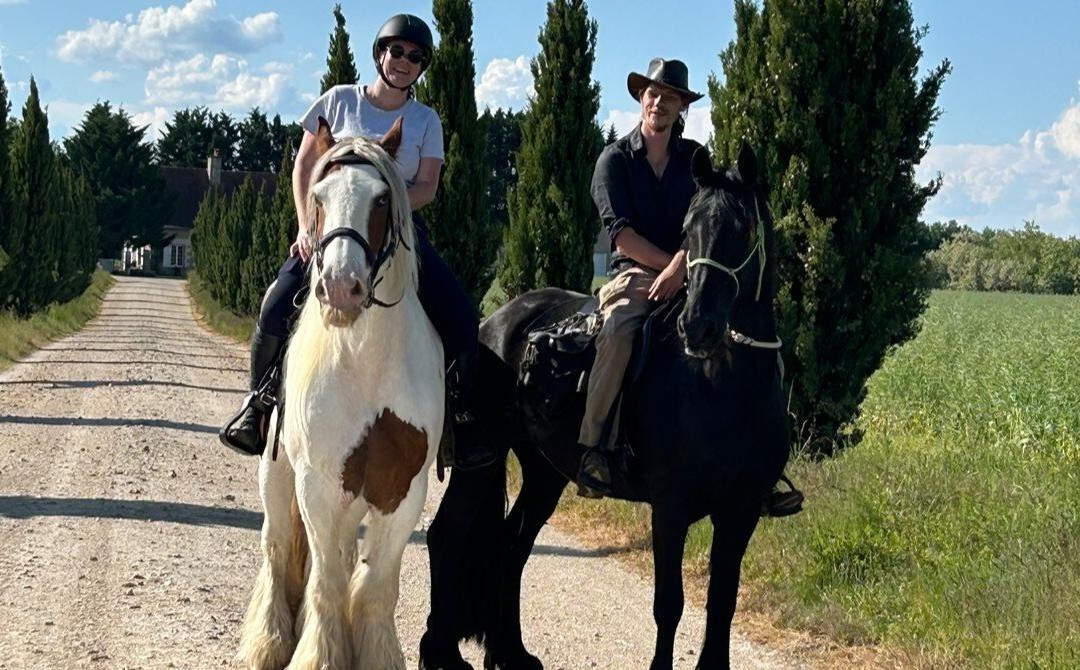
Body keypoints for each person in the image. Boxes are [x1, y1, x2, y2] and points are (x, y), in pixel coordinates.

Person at [219, 14, 496, 471]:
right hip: (329, 230)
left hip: (394, 230)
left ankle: (459, 420)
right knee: (275, 304)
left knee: (461, 317)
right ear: (380, 54)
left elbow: (427, 185)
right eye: (397, 51)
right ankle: (260, 403)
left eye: (415, 57)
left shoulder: (426, 121)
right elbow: (304, 167)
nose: (404, 62)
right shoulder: (339, 100)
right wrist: (306, 224)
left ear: (422, 67)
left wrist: (381, 201)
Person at [575, 58, 704, 498]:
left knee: (743, 329)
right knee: (619, 329)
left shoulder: (695, 161)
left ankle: (751, 458)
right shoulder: (613, 160)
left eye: (670, 97)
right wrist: (667, 267)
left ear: (681, 107)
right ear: (640, 99)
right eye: (653, 94)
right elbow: (621, 236)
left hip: (689, 270)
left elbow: (707, 223)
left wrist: (680, 266)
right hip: (632, 273)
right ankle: (595, 448)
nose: (659, 103)